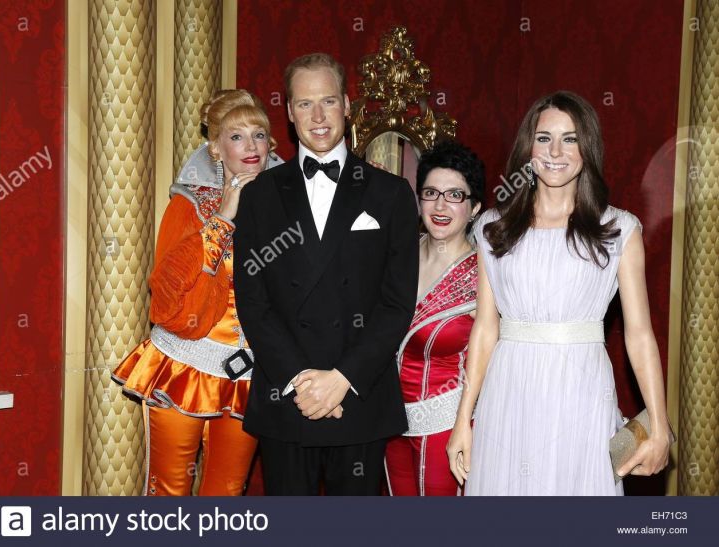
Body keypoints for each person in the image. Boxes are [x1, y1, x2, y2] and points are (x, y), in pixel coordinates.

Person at [447, 91, 671, 496]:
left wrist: (658, 425)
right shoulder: (493, 229)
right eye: (544, 138)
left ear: (588, 148)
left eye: (570, 139)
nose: (555, 151)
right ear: (527, 147)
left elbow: (639, 335)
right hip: (508, 390)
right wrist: (464, 419)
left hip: (581, 391)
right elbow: (485, 329)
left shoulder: (619, 230)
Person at [233, 53, 419, 495]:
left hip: (359, 394)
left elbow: (396, 303)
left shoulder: (391, 194)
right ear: (289, 112)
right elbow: (253, 301)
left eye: (328, 101)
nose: (317, 117)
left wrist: (341, 380)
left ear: (347, 106)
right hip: (287, 396)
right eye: (305, 104)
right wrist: (302, 382)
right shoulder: (259, 196)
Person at [112, 89, 281, 496]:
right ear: (216, 148)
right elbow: (167, 288)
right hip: (184, 362)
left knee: (228, 490)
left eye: (258, 135)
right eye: (236, 136)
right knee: (170, 489)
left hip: (249, 372)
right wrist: (223, 217)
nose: (251, 146)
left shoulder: (286, 208)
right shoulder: (188, 205)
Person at [385, 141, 484, 496]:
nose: (440, 206)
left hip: (448, 426)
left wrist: (465, 424)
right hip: (389, 421)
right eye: (431, 193)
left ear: (474, 208)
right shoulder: (396, 254)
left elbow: (491, 362)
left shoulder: (485, 274)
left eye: (455, 195)